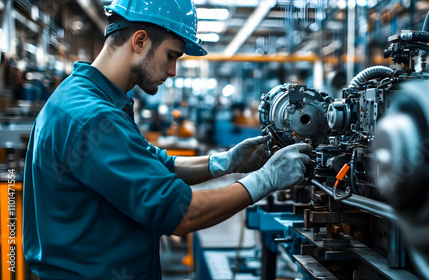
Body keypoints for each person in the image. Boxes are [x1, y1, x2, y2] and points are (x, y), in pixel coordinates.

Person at [22, 0, 312, 279]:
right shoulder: (92, 117)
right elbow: (181, 214)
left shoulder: (87, 99)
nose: (173, 71)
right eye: (171, 56)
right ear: (140, 41)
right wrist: (266, 179)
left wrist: (225, 162)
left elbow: (154, 164)